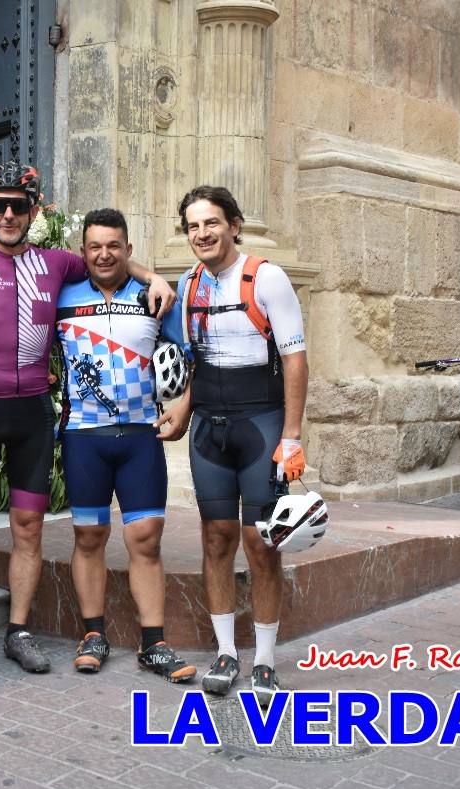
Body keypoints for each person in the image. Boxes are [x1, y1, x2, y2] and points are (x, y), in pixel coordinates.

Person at [0, 160, 177, 680]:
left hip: (35, 410)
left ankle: (18, 630)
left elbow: (114, 263)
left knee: (29, 527)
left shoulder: (61, 265)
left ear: (34, 211)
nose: (9, 214)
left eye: (20, 205)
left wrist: (155, 277)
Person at [156, 185, 309, 707]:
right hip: (208, 432)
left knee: (262, 544)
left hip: (261, 426)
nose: (202, 233)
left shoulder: (267, 277)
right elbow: (195, 362)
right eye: (193, 226)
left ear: (234, 225)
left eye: (211, 223)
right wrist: (182, 406)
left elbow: (295, 360)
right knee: (215, 539)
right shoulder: (190, 283)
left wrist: (292, 437)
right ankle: (226, 652)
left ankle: (264, 658)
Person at [56, 208, 196, 683]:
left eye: (114, 245)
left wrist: (185, 406)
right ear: (83, 252)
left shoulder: (156, 297)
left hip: (140, 437)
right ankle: (93, 634)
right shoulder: (62, 294)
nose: (104, 254)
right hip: (84, 438)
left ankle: (153, 644)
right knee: (89, 537)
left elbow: (189, 359)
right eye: (94, 246)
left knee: (145, 540)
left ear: (128, 250)